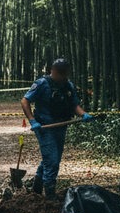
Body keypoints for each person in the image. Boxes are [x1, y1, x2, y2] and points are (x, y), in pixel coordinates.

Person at [21, 58, 93, 198]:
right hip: (45, 127)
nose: (62, 76)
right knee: (52, 161)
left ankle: (36, 190)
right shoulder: (42, 83)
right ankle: (50, 195)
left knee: (53, 159)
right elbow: (25, 101)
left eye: (64, 73)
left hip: (61, 126)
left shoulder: (68, 86)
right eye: (59, 73)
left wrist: (83, 114)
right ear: (52, 71)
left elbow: (74, 105)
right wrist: (32, 121)